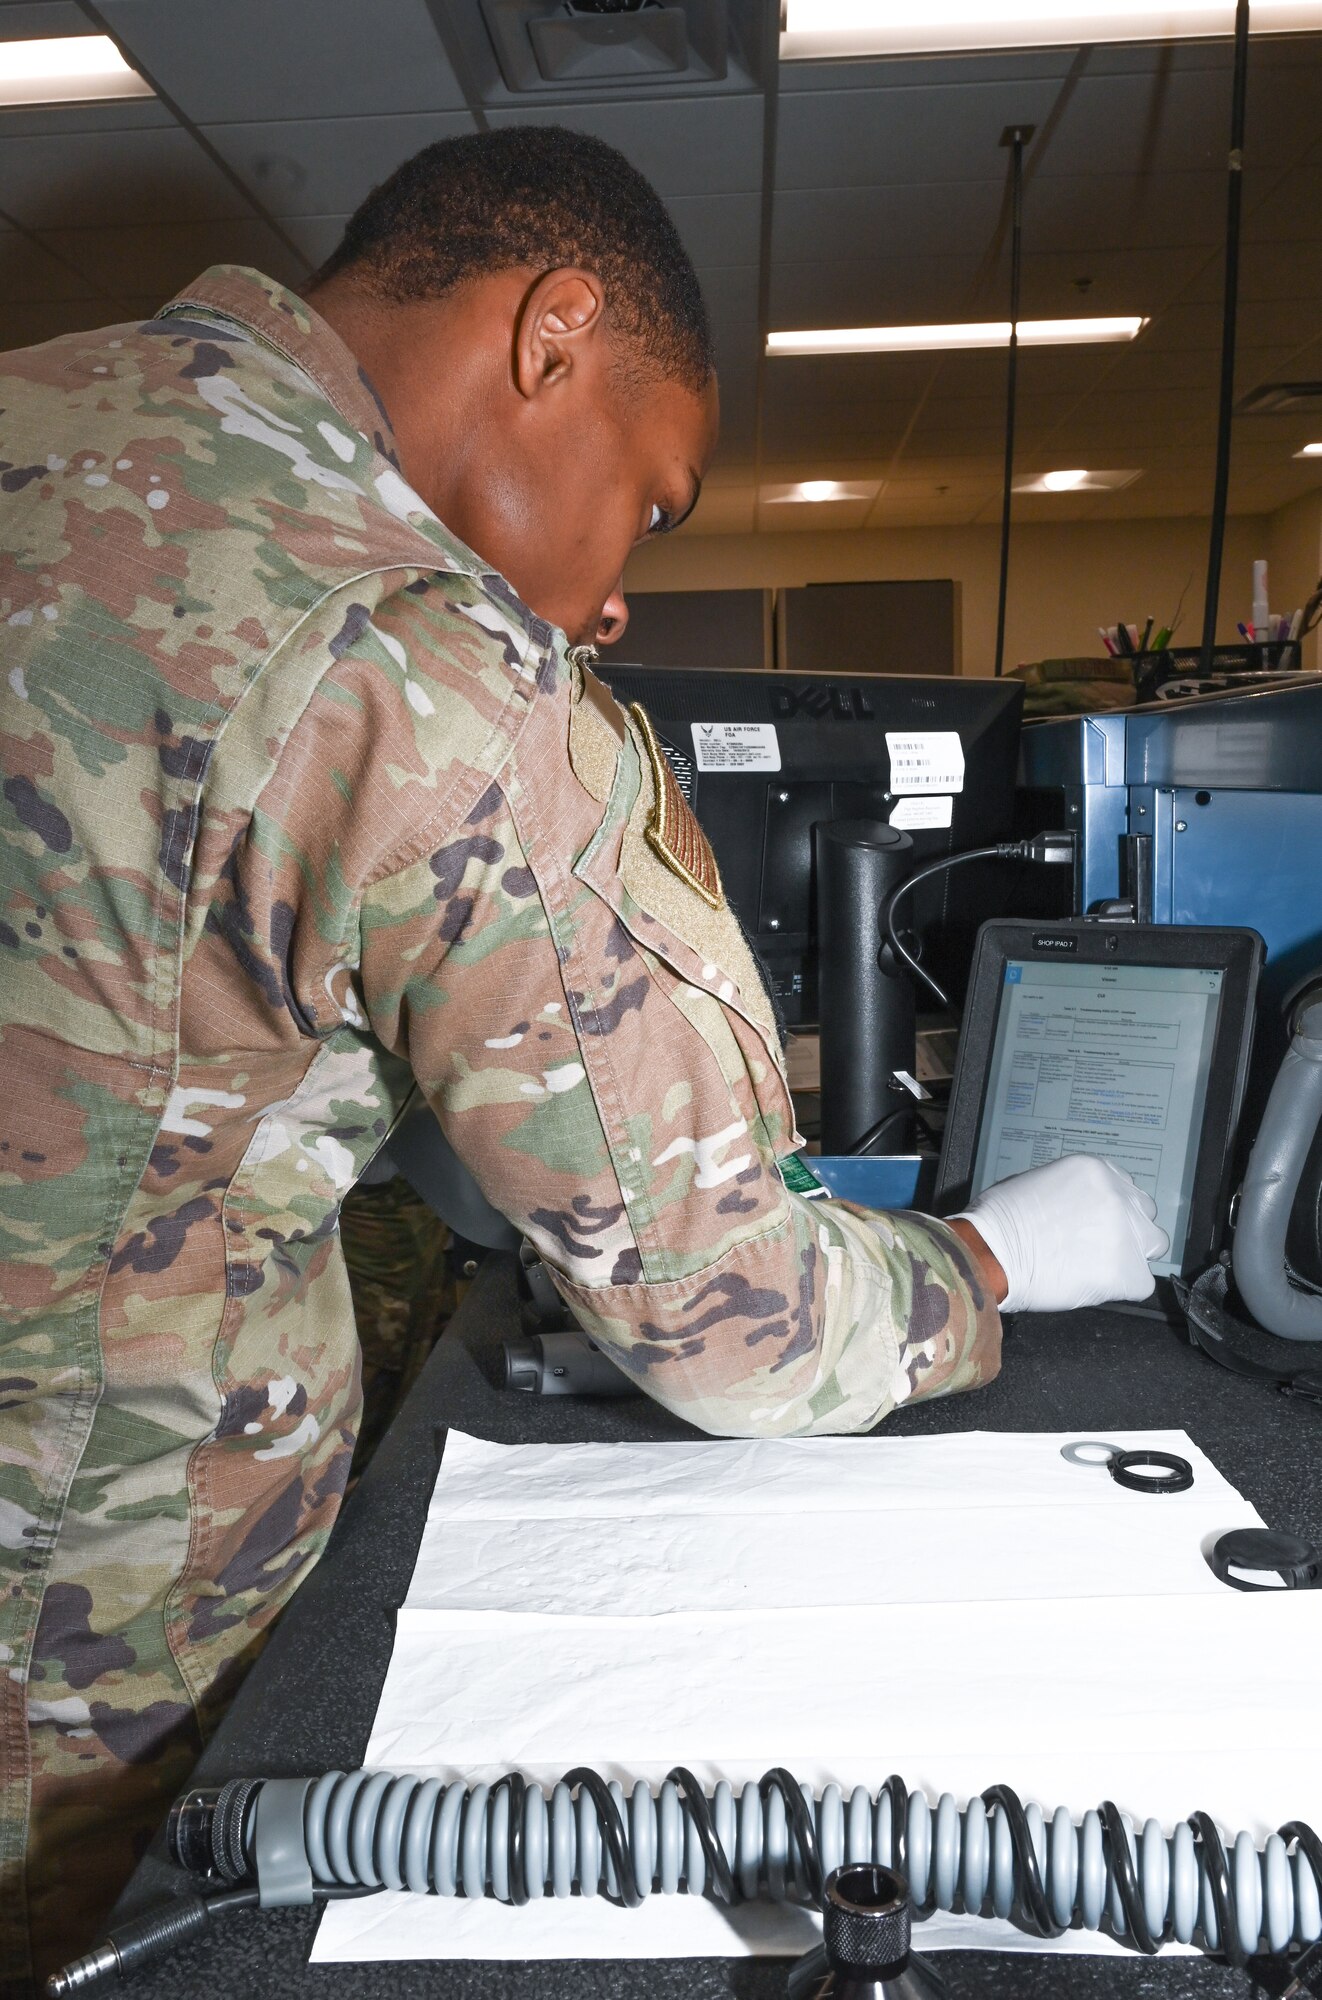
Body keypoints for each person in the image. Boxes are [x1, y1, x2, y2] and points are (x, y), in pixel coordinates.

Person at [0, 126, 1165, 1991]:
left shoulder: (42, 415)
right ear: (552, 338)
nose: (619, 591)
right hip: (73, 1670)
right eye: (653, 495)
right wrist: (997, 1260)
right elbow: (724, 1315)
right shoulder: (415, 657)